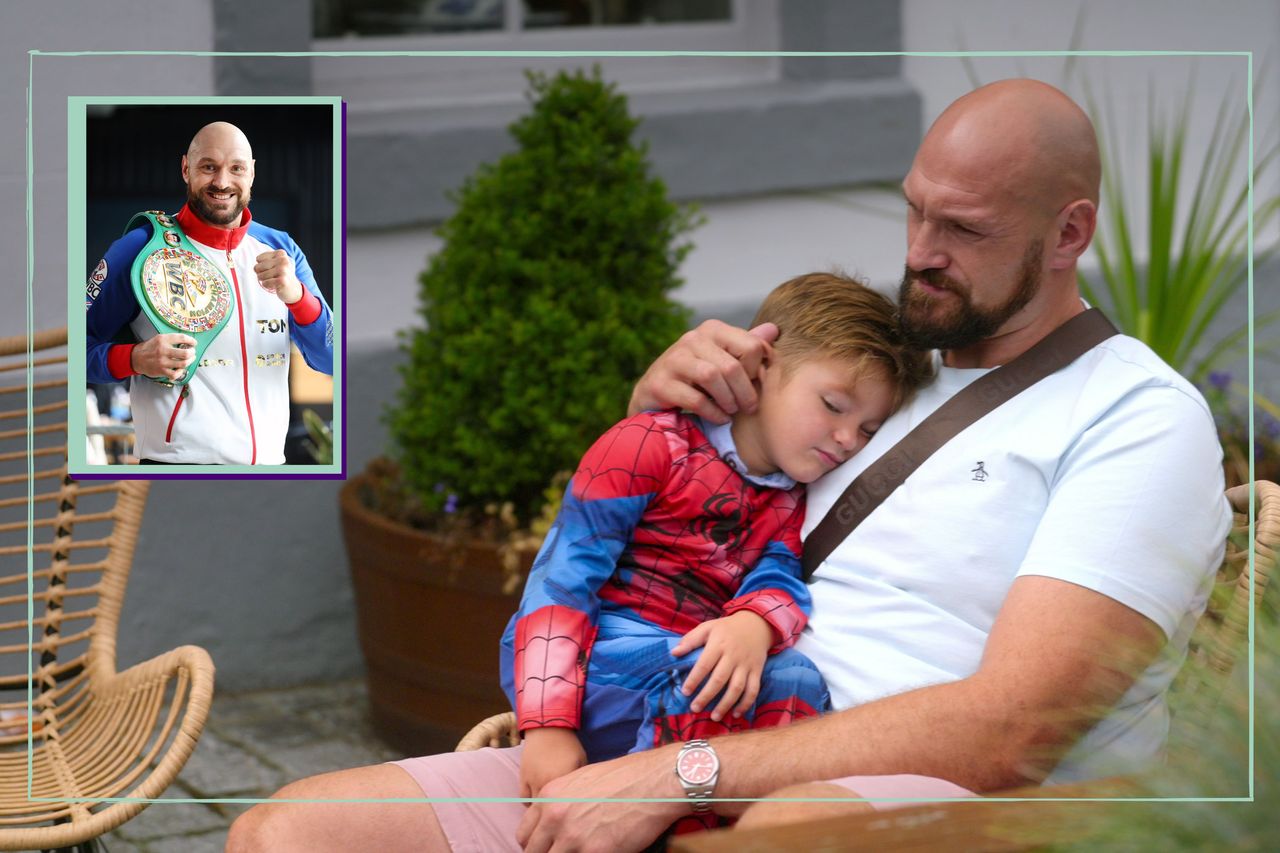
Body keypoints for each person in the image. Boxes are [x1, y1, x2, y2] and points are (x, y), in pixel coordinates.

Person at [226, 78, 1230, 853]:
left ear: (1069, 232)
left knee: (782, 839)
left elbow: (1012, 728)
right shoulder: (870, 376)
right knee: (288, 832)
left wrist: (684, 775)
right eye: (914, 210)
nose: (919, 251)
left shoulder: (1136, 420)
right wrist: (654, 419)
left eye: (961, 228)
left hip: (914, 806)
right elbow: (653, 527)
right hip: (673, 727)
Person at [493, 273, 932, 815]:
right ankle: (645, 819)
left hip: (686, 668)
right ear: (760, 365)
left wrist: (754, 623)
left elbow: (780, 574)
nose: (847, 438)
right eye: (833, 405)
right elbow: (563, 579)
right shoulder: (649, 444)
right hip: (592, 662)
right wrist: (547, 726)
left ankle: (750, 828)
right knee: (706, 678)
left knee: (795, 677)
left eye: (868, 429)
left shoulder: (796, 495)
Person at [85, 121, 333, 465]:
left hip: (269, 470)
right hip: (174, 467)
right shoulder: (139, 247)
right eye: (208, 167)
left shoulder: (282, 249)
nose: (222, 182)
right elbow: (76, 352)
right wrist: (135, 359)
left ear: (252, 173)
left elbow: (332, 358)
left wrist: (297, 296)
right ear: (186, 168)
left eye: (236, 168)